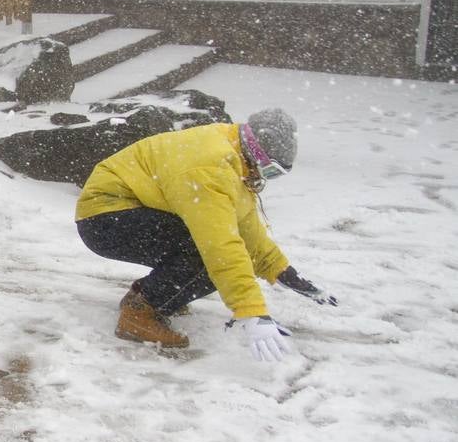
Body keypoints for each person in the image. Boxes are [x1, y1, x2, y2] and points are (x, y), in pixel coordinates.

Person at [74, 109, 337, 361]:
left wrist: (282, 271)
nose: (266, 178)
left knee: (205, 257)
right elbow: (220, 246)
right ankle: (138, 314)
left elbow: (245, 228)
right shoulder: (212, 169)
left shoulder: (234, 155)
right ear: (256, 152)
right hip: (104, 217)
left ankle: (149, 296)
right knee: (206, 258)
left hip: (127, 209)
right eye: (270, 170)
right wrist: (251, 311)